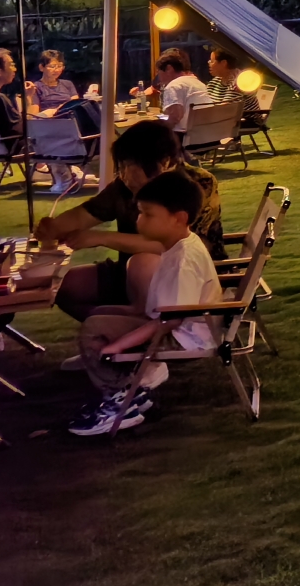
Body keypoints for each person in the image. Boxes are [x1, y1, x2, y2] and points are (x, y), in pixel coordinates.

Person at [67, 168, 223, 439]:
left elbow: (170, 321)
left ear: (179, 218)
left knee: (94, 330)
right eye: (140, 212)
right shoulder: (177, 244)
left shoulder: (184, 260)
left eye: (148, 214)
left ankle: (120, 400)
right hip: (174, 326)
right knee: (98, 317)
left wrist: (120, 344)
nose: (139, 221)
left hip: (184, 336)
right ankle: (131, 392)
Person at [36, 120, 223, 323]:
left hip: (184, 277)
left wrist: (102, 238)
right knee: (65, 288)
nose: (125, 175)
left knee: (144, 261)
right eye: (121, 166)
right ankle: (115, 331)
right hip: (130, 271)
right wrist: (53, 228)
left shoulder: (197, 185)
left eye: (132, 166)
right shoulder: (123, 187)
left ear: (165, 162)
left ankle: (132, 334)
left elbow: (176, 246)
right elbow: (85, 215)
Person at [131, 48, 212, 130]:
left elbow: (175, 117)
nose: (158, 77)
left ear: (169, 69)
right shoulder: (199, 83)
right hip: (207, 136)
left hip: (185, 138)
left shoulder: (173, 86)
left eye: (158, 71)